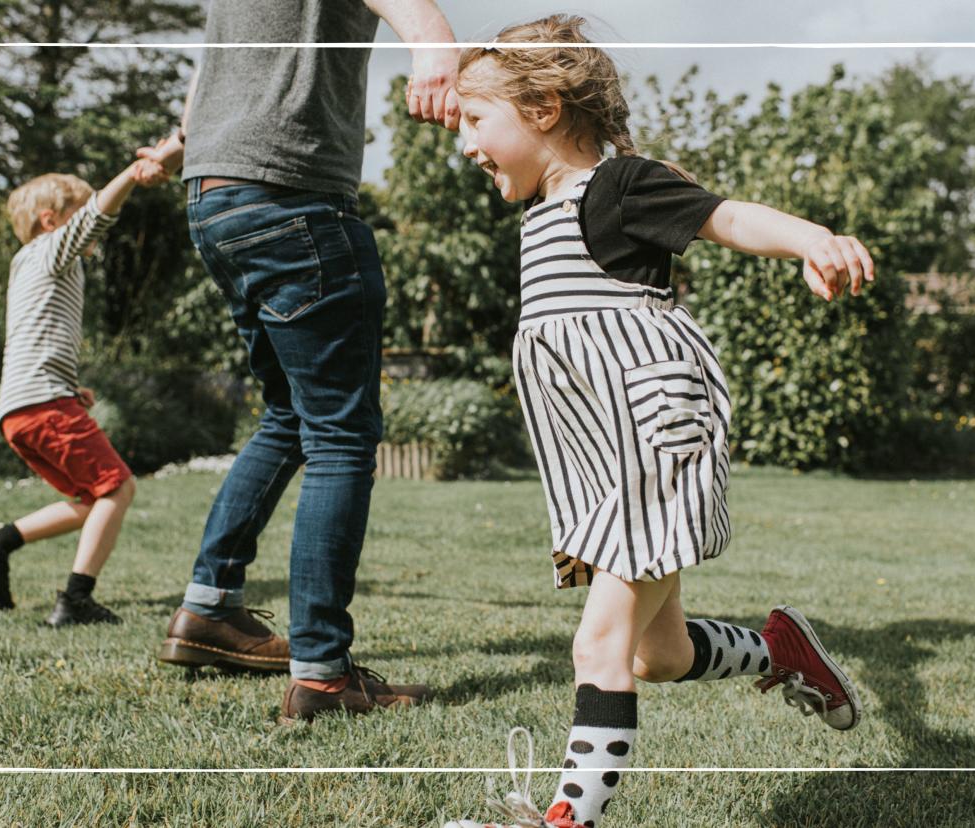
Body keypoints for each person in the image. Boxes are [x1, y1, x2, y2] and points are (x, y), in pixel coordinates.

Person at [443, 16, 874, 828]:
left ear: (541, 108)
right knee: (659, 654)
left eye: (476, 120)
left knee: (597, 648)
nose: (465, 143)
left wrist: (812, 240)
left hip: (655, 444)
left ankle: (566, 820)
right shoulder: (542, 212)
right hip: (609, 464)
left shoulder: (620, 186)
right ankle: (783, 650)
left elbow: (728, 217)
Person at [134, 0, 460, 723]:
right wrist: (436, 45)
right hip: (292, 194)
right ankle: (321, 674)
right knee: (341, 436)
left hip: (216, 196)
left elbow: (215, 66)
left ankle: (209, 610)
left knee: (289, 413)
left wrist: (184, 142)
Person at [0, 157, 167, 627]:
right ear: (51, 221)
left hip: (19, 408)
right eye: (77, 210)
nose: (89, 228)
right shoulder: (51, 248)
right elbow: (99, 213)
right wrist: (134, 174)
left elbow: (35, 334)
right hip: (43, 403)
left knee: (92, 500)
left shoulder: (27, 264)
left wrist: (70, 387)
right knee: (118, 487)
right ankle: (75, 599)